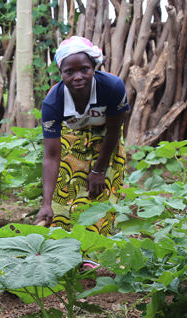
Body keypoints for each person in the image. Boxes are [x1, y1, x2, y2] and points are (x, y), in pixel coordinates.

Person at [34, 36, 130, 235]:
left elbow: (114, 131)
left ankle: (97, 245)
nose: (77, 77)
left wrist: (98, 171)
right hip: (74, 136)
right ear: (61, 73)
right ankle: (61, 243)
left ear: (94, 68)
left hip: (107, 138)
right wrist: (46, 203)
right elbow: (51, 156)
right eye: (69, 72)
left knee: (101, 198)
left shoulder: (113, 88)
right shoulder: (53, 102)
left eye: (84, 69)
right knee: (62, 197)